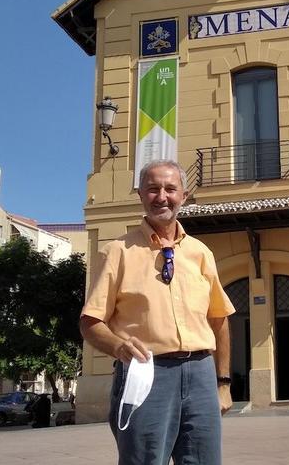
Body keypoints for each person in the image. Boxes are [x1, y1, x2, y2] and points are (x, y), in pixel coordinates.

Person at [80, 159, 235, 465]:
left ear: (184, 196)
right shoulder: (117, 252)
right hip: (146, 373)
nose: (162, 197)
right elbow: (90, 322)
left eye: (170, 189)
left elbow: (219, 319)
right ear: (140, 195)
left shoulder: (201, 252)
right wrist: (118, 346)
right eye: (152, 189)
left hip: (201, 372)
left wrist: (224, 384)